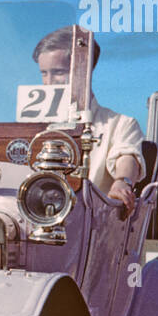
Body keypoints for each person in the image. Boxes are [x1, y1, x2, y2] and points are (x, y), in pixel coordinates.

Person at [33, 25, 143, 214]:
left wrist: (122, 182)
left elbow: (127, 156)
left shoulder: (121, 124)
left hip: (86, 223)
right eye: (44, 73)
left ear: (84, 71)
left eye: (58, 72)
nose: (49, 82)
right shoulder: (30, 126)